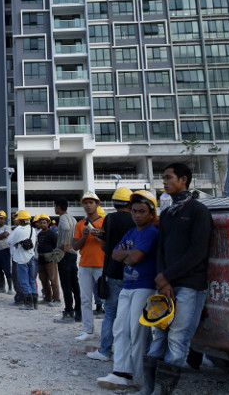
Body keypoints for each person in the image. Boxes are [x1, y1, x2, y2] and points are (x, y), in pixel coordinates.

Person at [142, 163, 213, 395]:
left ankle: (162, 392)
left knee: (178, 338)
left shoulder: (198, 211)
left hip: (190, 286)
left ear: (183, 180)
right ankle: (148, 390)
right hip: (166, 286)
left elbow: (198, 252)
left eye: (168, 177)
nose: (164, 182)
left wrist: (166, 276)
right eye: (163, 178)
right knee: (159, 335)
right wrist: (163, 280)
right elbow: (161, 249)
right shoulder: (168, 213)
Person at [97, 190, 160, 390]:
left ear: (151, 214)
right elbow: (115, 253)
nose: (137, 215)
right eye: (134, 211)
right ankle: (121, 371)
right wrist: (128, 254)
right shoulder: (131, 232)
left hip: (144, 286)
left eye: (142, 211)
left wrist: (127, 254)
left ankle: (140, 377)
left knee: (137, 331)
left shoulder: (151, 232)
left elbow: (134, 258)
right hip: (128, 285)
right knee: (120, 328)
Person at [88, 187, 135, 362]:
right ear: (130, 202)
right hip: (133, 273)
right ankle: (131, 353)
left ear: (114, 203)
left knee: (110, 313)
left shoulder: (110, 219)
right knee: (132, 315)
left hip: (113, 271)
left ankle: (105, 350)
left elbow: (103, 246)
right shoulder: (136, 218)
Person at [72, 192, 105, 341]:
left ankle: (108, 331)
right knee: (85, 299)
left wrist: (99, 236)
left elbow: (110, 243)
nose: (88, 205)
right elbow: (75, 246)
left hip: (101, 265)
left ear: (97, 204)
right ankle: (88, 330)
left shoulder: (105, 222)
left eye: (91, 202)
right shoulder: (80, 225)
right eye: (85, 203)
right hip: (85, 265)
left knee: (107, 300)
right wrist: (84, 236)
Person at [54, 197, 81, 323]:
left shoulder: (63, 218)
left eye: (55, 206)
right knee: (75, 284)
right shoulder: (73, 219)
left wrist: (64, 242)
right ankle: (79, 312)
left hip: (65, 254)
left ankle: (69, 312)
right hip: (73, 254)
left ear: (59, 207)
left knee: (66, 285)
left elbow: (64, 228)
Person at [8, 210, 37, 310]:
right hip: (31, 257)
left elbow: (9, 241)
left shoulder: (19, 230)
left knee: (24, 282)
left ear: (21, 220)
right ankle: (35, 303)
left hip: (21, 259)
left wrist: (16, 244)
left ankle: (28, 304)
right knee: (32, 281)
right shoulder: (32, 229)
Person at [35, 214, 61, 307]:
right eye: (41, 223)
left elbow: (57, 247)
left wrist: (53, 257)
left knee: (53, 279)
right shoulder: (40, 234)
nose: (42, 224)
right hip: (41, 259)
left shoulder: (52, 234)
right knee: (43, 279)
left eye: (44, 223)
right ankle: (48, 297)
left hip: (50, 260)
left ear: (48, 223)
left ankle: (56, 298)